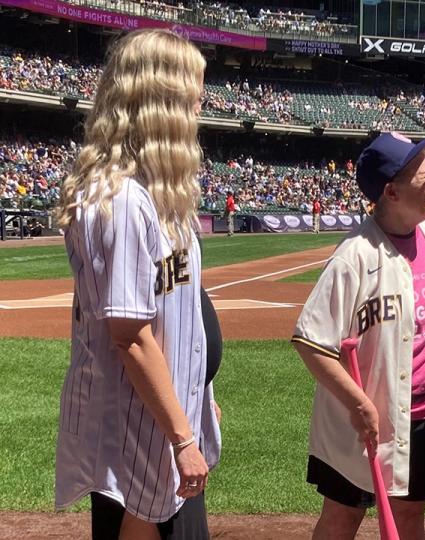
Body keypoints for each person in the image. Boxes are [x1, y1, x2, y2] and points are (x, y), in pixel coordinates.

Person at [54, 29, 221, 539]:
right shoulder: (121, 200)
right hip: (143, 426)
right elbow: (128, 334)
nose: (200, 103)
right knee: (143, 520)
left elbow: (178, 312)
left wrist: (196, 393)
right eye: (192, 91)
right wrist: (180, 434)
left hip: (165, 418)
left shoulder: (159, 193)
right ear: (161, 100)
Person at [291, 131, 425, 540]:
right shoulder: (355, 256)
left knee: (409, 518)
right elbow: (310, 341)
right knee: (343, 516)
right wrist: (359, 403)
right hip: (364, 419)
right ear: (391, 191)